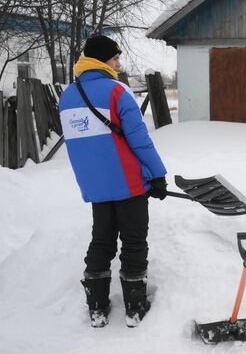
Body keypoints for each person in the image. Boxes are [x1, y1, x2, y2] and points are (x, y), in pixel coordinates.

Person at [58, 35, 168, 328]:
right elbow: (139, 140)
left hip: (95, 187)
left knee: (101, 241)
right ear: (102, 59)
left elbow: (79, 146)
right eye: (116, 58)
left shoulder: (68, 96)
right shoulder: (117, 91)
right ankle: (134, 308)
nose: (119, 63)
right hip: (129, 183)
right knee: (133, 241)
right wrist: (158, 175)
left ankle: (97, 308)